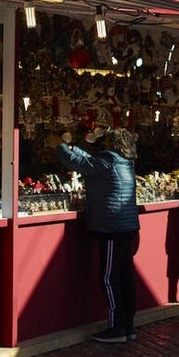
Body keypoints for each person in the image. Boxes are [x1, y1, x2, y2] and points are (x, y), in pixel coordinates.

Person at [56, 127, 141, 343]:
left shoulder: (108, 161)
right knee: (125, 276)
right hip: (127, 226)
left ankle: (116, 327)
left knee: (109, 277)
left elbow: (81, 164)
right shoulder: (124, 162)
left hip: (112, 227)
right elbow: (90, 162)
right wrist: (76, 148)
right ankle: (128, 326)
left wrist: (60, 146)